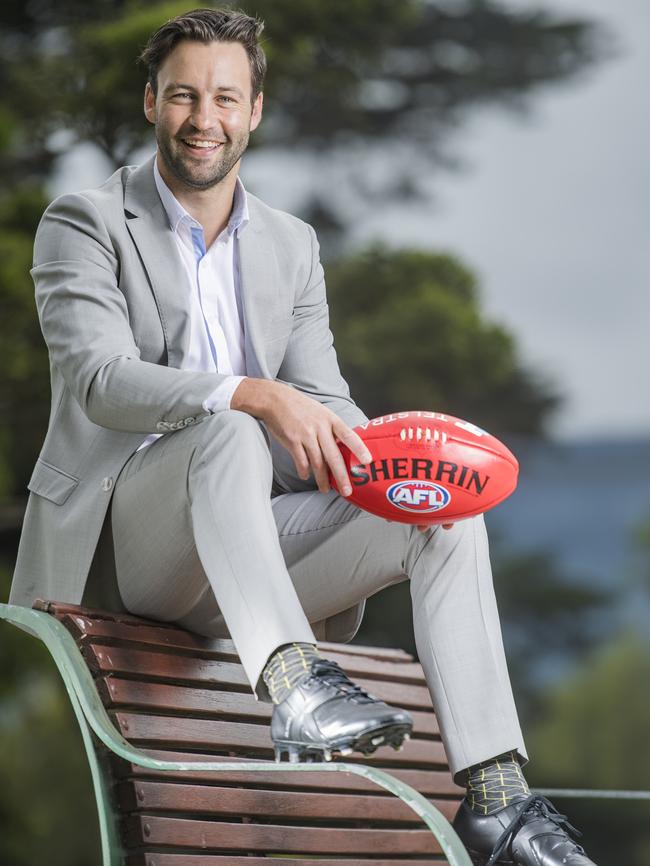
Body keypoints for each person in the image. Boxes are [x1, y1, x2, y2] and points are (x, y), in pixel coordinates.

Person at [9, 8, 597, 865]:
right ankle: (292, 682)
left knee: (444, 514)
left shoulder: (291, 245)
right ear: (150, 102)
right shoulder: (84, 222)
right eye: (182, 96)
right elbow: (101, 380)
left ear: (255, 110)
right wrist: (254, 395)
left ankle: (499, 800)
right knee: (233, 431)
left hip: (244, 553)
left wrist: (391, 465)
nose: (202, 119)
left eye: (223, 98)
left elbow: (325, 400)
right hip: (126, 555)